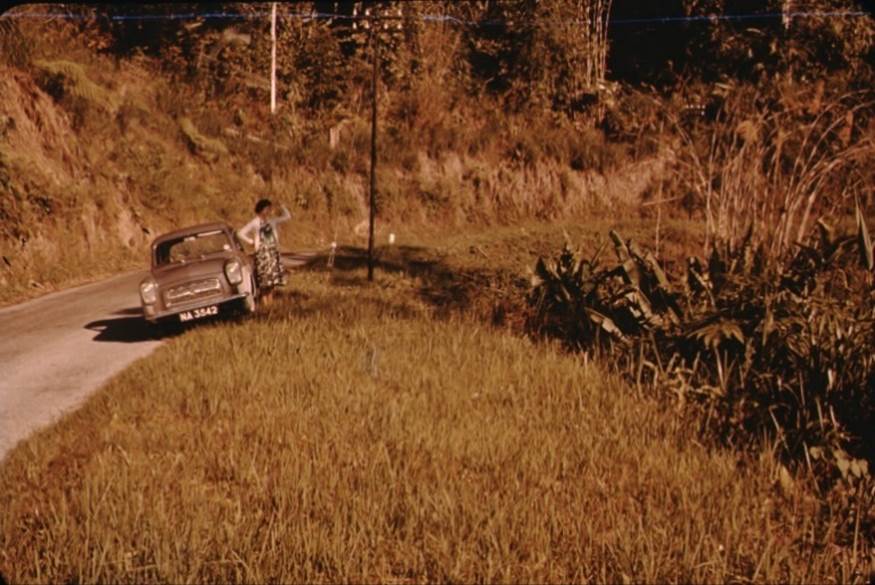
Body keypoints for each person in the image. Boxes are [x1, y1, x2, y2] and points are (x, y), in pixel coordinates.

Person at [237, 198, 291, 307]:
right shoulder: (255, 223)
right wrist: (251, 241)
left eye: (269, 209)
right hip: (262, 254)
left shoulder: (272, 221)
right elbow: (240, 233)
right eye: (266, 209)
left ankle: (270, 303)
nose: (268, 211)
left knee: (272, 280)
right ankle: (264, 303)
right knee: (264, 280)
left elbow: (287, 217)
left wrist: (282, 207)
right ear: (261, 210)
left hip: (272, 252)